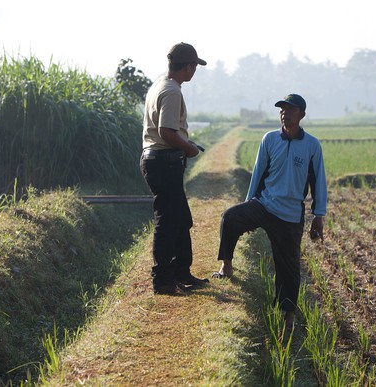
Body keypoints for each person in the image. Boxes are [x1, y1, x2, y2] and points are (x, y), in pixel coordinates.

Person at [212, 94, 327, 328]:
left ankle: (288, 315)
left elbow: (318, 182)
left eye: (290, 109)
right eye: (281, 109)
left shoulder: (312, 146)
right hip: (264, 205)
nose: (284, 113)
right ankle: (227, 265)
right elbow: (258, 173)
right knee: (230, 218)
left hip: (290, 215)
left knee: (289, 268)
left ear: (301, 115)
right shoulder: (270, 139)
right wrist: (249, 205)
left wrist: (319, 215)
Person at [140, 42, 209, 295]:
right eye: (195, 66)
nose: (195, 71)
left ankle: (181, 272)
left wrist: (184, 145)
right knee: (168, 221)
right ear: (189, 67)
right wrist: (188, 148)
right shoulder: (172, 92)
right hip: (163, 160)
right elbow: (166, 132)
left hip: (158, 160)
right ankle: (163, 281)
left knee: (180, 218)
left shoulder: (160, 84)